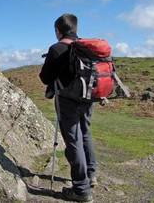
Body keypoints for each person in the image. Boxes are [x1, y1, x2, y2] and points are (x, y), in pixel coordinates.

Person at [39, 13, 97, 202]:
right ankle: (91, 174)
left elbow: (45, 78)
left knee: (74, 141)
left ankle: (81, 190)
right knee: (85, 133)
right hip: (88, 98)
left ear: (58, 30)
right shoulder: (87, 48)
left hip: (67, 101)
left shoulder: (56, 48)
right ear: (75, 28)